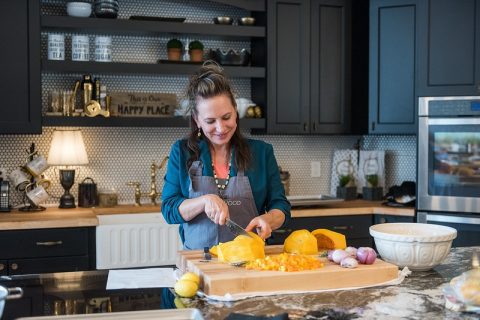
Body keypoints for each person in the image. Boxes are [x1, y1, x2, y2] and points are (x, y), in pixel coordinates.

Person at [161, 62, 291, 250]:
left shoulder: (262, 152)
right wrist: (203, 201)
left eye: (226, 117)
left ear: (236, 113)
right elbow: (169, 209)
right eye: (210, 121)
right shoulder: (181, 152)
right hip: (199, 263)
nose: (221, 128)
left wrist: (269, 219)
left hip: (250, 263)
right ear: (197, 120)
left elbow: (281, 206)